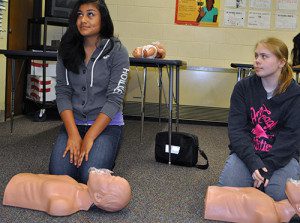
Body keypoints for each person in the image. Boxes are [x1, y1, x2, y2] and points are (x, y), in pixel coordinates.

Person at [49, 0, 130, 184]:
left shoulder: (117, 51)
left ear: (103, 18)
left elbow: (114, 99)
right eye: (79, 14)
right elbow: (62, 92)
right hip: (74, 123)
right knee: (59, 176)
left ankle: (105, 155)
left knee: (89, 178)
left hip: (106, 126)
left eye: (90, 14)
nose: (83, 20)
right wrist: (73, 134)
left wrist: (90, 137)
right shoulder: (66, 48)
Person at [218, 37, 300, 201]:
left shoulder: (295, 94)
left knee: (281, 198)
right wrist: (252, 162)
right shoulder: (243, 88)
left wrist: (268, 166)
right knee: (227, 195)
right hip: (249, 152)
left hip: (282, 156)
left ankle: (264, 183)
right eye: (256, 56)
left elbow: (290, 137)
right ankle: (258, 183)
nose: (257, 61)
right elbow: (237, 130)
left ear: (281, 62)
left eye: (264, 56)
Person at [3, 168, 132, 216]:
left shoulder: (66, 204)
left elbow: (53, 206)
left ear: (97, 197)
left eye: (109, 179)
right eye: (111, 175)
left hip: (13, 190)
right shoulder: (80, 187)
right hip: (22, 177)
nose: (106, 173)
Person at [204, 179, 300, 223]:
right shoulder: (270, 204)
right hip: (214, 196)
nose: (298, 182)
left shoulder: (269, 216)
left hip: (213, 202)